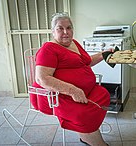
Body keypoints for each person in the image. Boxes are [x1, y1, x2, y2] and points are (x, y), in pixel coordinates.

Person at [30, 12, 111, 146]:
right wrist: (72, 90)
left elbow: (87, 61)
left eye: (69, 28)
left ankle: (87, 135)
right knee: (84, 113)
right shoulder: (48, 49)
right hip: (60, 95)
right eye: (60, 28)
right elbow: (42, 78)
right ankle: (95, 142)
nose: (66, 32)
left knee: (103, 95)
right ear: (53, 31)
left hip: (85, 91)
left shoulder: (74, 43)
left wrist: (104, 54)